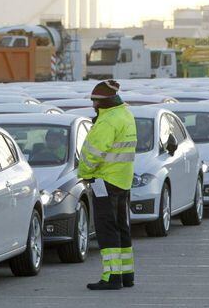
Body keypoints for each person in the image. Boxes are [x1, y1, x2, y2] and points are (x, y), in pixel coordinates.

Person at [78, 80, 137, 290]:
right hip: (122, 180)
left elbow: (94, 153)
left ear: (104, 102)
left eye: (95, 101)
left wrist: (84, 173)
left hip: (105, 180)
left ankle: (112, 277)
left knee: (106, 229)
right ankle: (126, 274)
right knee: (122, 227)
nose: (93, 105)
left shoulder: (107, 122)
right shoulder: (125, 115)